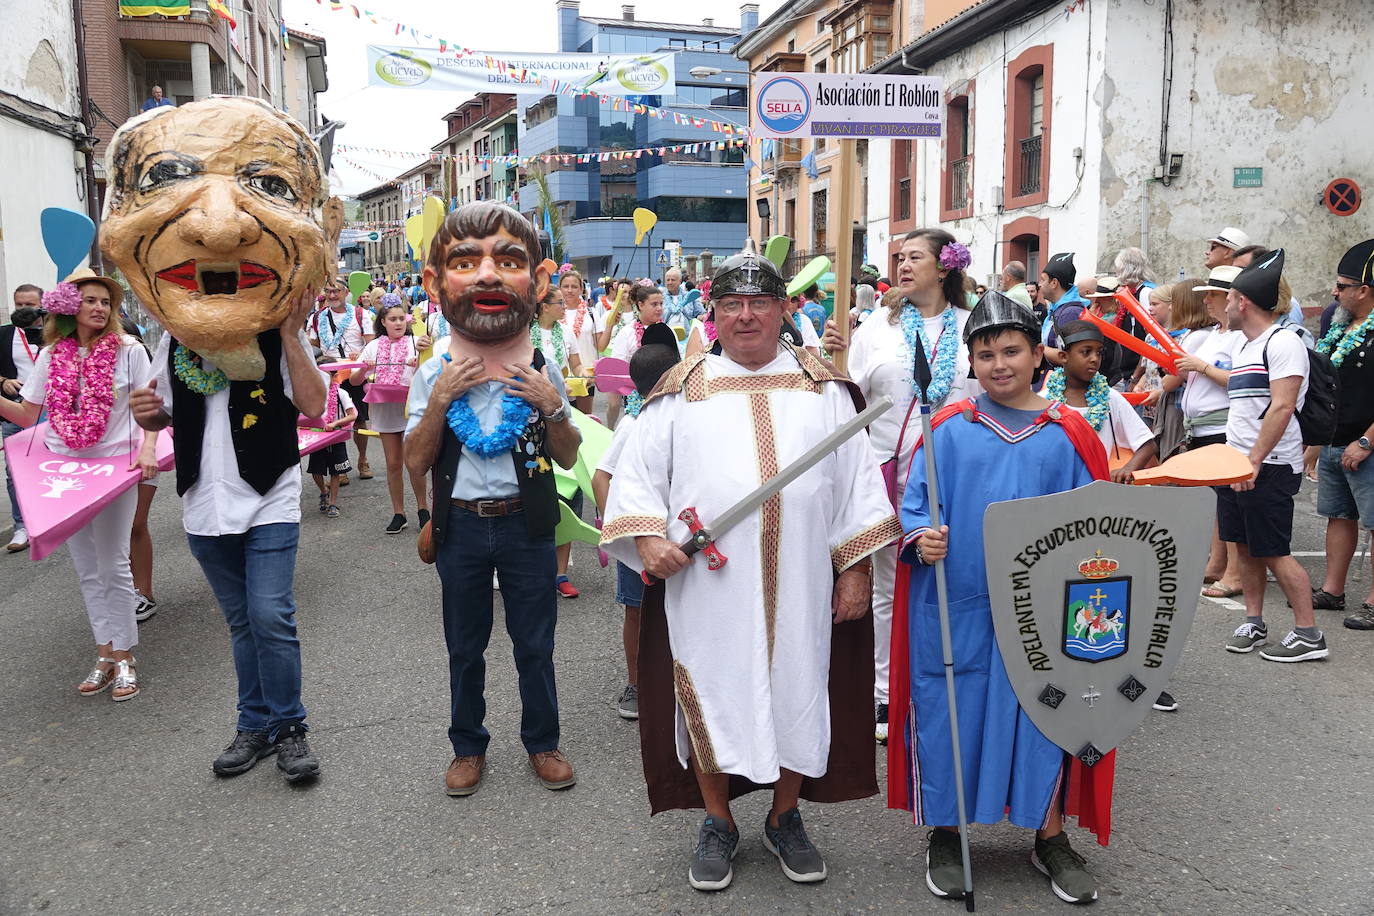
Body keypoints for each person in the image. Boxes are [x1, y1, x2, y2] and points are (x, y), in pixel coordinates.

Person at [600, 240, 898, 893]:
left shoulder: (824, 388)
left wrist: (853, 568)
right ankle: (718, 822)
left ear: (783, 308)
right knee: (712, 690)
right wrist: (650, 542)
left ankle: (785, 815)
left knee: (798, 686)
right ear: (713, 314)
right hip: (711, 584)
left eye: (758, 302)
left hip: (802, 582)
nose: (744, 316)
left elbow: (856, 484)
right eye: (730, 304)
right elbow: (637, 482)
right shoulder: (683, 391)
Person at [114, 96, 330, 782]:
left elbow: (319, 406)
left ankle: (291, 725)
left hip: (268, 493)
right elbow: (161, 419)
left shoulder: (271, 328)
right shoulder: (175, 338)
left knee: (272, 618)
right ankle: (254, 724)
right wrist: (147, 411)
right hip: (204, 501)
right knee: (240, 626)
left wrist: (292, 336)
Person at [891, 291, 1113, 904]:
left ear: (1036, 354)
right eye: (985, 353)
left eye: (1011, 350)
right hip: (957, 603)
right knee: (949, 713)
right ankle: (946, 830)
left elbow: (1099, 529)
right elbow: (914, 509)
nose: (999, 364)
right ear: (971, 361)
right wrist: (922, 538)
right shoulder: (948, 430)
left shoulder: (1067, 434)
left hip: (1040, 615)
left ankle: (1049, 834)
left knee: (1046, 713)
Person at [404, 201, 582, 798]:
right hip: (462, 526)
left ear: (535, 278)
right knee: (465, 646)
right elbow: (416, 460)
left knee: (536, 642)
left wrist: (550, 404)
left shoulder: (540, 367)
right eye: (467, 261)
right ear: (435, 281)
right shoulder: (433, 374)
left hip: (527, 525)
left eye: (506, 261)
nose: (486, 276)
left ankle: (543, 741)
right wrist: (437, 402)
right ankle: (467, 747)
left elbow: (565, 454)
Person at [821, 228, 978, 745]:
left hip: (956, 475)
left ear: (945, 266)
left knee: (955, 583)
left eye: (916, 257)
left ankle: (949, 681)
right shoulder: (876, 329)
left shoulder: (971, 326)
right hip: (889, 473)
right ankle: (886, 692)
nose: (904, 266)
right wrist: (829, 360)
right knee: (887, 587)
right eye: (899, 258)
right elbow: (846, 399)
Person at [0, 273, 156, 703]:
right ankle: (104, 653)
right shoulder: (51, 355)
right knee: (87, 568)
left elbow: (148, 409)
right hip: (63, 471)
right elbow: (28, 415)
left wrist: (148, 451)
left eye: (106, 301)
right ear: (69, 307)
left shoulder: (129, 351)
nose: (100, 308)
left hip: (114, 470)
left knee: (112, 563)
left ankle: (125, 655)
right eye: (90, 300)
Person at [1214, 250, 1326, 662]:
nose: (1224, 303)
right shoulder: (1245, 345)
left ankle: (1309, 633)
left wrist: (1254, 460)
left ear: (1243, 302)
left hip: (1270, 465)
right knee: (1243, 548)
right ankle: (1254, 620)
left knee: (1274, 551)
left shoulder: (1284, 343)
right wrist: (1235, 460)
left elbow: (1282, 406)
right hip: (1237, 462)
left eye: (1228, 297)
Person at [591, 341, 680, 721]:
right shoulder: (634, 422)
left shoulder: (682, 415)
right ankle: (636, 683)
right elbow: (601, 477)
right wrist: (622, 530)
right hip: (639, 537)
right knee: (637, 610)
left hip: (677, 538)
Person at [1307, 240, 1374, 631]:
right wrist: (1316, 442)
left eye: (1342, 285)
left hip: (1364, 443)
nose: (1335, 292)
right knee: (1338, 516)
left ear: (1364, 290)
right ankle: (1333, 590)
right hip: (1334, 439)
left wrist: (1366, 442)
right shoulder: (1338, 322)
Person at [1043, 320, 1158, 481]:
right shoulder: (1045, 401)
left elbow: (1147, 444)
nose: (1094, 359)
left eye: (1099, 353)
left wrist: (1127, 469)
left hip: (1098, 487)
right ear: (1063, 356)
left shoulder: (1110, 398)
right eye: (1086, 352)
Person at [351, 295, 429, 533]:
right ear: (382, 322)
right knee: (393, 464)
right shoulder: (373, 346)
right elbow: (355, 380)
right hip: (385, 409)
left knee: (414, 463)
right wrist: (365, 367)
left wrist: (423, 356)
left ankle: (423, 509)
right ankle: (399, 513)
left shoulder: (417, 342)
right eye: (392, 319)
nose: (398, 323)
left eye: (401, 319)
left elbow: (432, 370)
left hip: (411, 410)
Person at [532, 285, 585, 598]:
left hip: (560, 407)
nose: (565, 307)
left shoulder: (565, 333)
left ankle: (560, 572)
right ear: (543, 306)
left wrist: (580, 375)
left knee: (568, 489)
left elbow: (574, 363)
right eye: (559, 303)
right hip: (526, 424)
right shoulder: (524, 337)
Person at [312, 278, 376, 480]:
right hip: (328, 376)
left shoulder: (361, 314)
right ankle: (340, 466)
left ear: (346, 292)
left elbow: (370, 344)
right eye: (328, 291)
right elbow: (313, 345)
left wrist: (362, 354)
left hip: (354, 375)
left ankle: (363, 459)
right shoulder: (318, 317)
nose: (332, 295)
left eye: (336, 291)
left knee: (358, 419)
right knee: (331, 419)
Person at [3, 295, 43, 552]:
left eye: (30, 304)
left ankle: (49, 517)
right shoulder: (4, 335)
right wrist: (2, 381)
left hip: (50, 409)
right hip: (13, 409)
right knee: (14, 471)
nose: (24, 309)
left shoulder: (56, 333)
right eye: (19, 304)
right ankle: (21, 526)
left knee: (51, 467)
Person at [308, 371, 357, 518]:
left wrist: (335, 423)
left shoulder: (340, 393)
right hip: (318, 437)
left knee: (336, 471)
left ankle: (333, 503)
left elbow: (352, 415)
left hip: (336, 436)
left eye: (327, 375)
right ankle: (323, 491)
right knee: (316, 470)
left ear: (334, 376)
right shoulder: (312, 391)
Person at [556, 268, 599, 414]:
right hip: (561, 375)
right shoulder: (553, 312)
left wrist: (611, 325)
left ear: (581, 289)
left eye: (574, 286)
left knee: (586, 418)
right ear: (559, 288)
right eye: (565, 286)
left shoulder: (591, 313)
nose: (570, 290)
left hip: (585, 372)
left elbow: (600, 345)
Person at [1038, 252, 1089, 365]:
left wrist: (1036, 347)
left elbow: (1067, 357)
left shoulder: (1070, 313)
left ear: (1054, 283)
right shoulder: (1059, 309)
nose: (1039, 284)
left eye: (1043, 279)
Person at [660, 267, 703, 332]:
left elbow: (701, 313)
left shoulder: (689, 296)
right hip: (665, 334)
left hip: (687, 335)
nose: (670, 282)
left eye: (673, 280)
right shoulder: (660, 298)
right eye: (668, 280)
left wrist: (700, 317)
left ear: (680, 281)